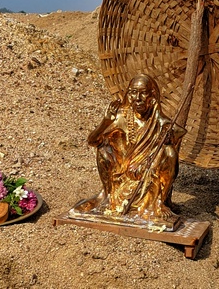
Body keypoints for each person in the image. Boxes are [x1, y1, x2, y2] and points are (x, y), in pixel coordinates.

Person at [79, 73, 185, 229]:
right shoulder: (122, 117)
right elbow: (92, 141)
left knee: (169, 152)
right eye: (133, 92)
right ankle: (109, 196)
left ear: (152, 96)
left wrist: (169, 139)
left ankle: (158, 202)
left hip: (148, 174)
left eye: (143, 92)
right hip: (123, 172)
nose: (138, 97)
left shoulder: (161, 123)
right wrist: (106, 121)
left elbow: (178, 134)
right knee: (103, 150)